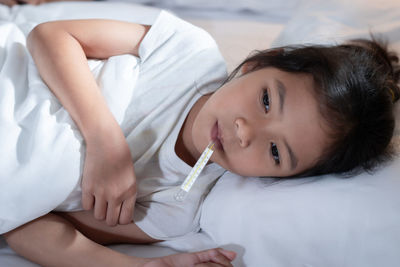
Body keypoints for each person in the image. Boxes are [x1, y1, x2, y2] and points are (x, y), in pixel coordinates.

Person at [1, 6, 399, 267]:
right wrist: (105, 139)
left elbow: (26, 222)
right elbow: (50, 36)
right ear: (259, 64)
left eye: (276, 152)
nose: (245, 132)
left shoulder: (175, 207)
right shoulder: (186, 51)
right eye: (265, 100)